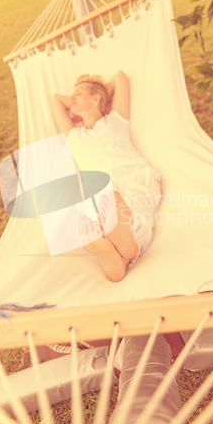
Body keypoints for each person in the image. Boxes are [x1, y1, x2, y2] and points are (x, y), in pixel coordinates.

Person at [52, 71, 161, 283]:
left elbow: (120, 77)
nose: (72, 98)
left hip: (132, 176)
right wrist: (82, 99)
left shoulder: (115, 119)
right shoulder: (73, 135)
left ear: (96, 98)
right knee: (102, 209)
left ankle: (119, 245)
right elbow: (56, 99)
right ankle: (118, 253)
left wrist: (100, 92)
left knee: (129, 205)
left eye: (79, 93)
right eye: (72, 95)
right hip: (99, 191)